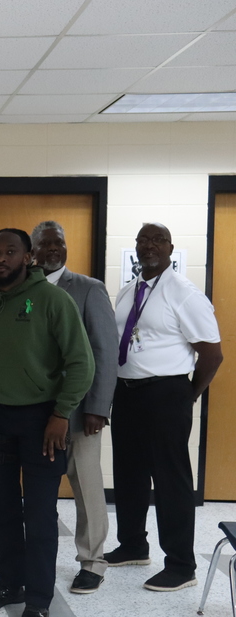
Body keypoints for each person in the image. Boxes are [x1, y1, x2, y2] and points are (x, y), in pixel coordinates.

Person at [0, 228, 93, 617]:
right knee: (3, 509)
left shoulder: (53, 300)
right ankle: (9, 584)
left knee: (39, 513)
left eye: (10, 252)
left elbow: (82, 363)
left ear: (28, 257)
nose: (0, 258)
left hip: (42, 422)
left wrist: (62, 413)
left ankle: (38, 598)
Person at [108, 222, 223, 592]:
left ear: (171, 248)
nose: (149, 245)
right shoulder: (128, 291)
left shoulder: (184, 293)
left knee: (170, 479)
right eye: (142, 239)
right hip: (127, 392)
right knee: (128, 472)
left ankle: (180, 565)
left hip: (166, 394)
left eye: (157, 240)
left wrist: (187, 393)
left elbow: (212, 354)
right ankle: (132, 545)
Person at [31, 220, 117, 594]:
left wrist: (98, 405)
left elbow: (105, 351)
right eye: (45, 243)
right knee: (39, 490)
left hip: (81, 413)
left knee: (85, 484)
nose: (53, 249)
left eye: (59, 243)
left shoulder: (88, 289)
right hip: (35, 411)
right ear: (32, 250)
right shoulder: (26, 290)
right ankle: (38, 556)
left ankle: (93, 560)